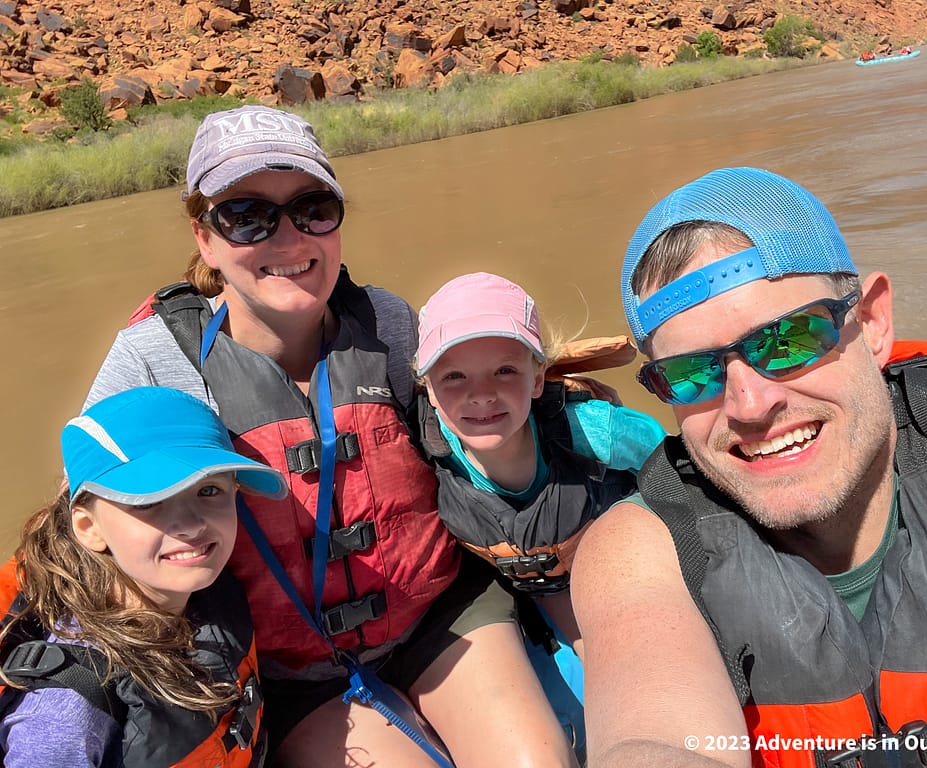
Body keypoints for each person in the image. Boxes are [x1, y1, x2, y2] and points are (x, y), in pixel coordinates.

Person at [82, 105, 577, 767]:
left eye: (312, 207)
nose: (288, 238)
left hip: (436, 611)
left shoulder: (391, 324)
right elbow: (89, 523)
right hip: (289, 674)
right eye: (247, 215)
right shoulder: (155, 363)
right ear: (205, 238)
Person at [571, 166, 927, 768]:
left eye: (787, 339)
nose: (750, 405)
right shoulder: (645, 548)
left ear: (872, 322)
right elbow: (651, 740)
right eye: (690, 374)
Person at [0, 386, 288, 767]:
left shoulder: (203, 592)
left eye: (208, 490)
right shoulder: (67, 715)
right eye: (149, 500)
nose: (189, 525)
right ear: (90, 528)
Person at [414, 272, 667, 657]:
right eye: (453, 376)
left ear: (537, 378)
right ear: (428, 389)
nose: (481, 394)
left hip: (618, 573)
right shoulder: (422, 449)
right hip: (531, 592)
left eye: (504, 371)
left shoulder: (595, 431)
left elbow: (673, 467)